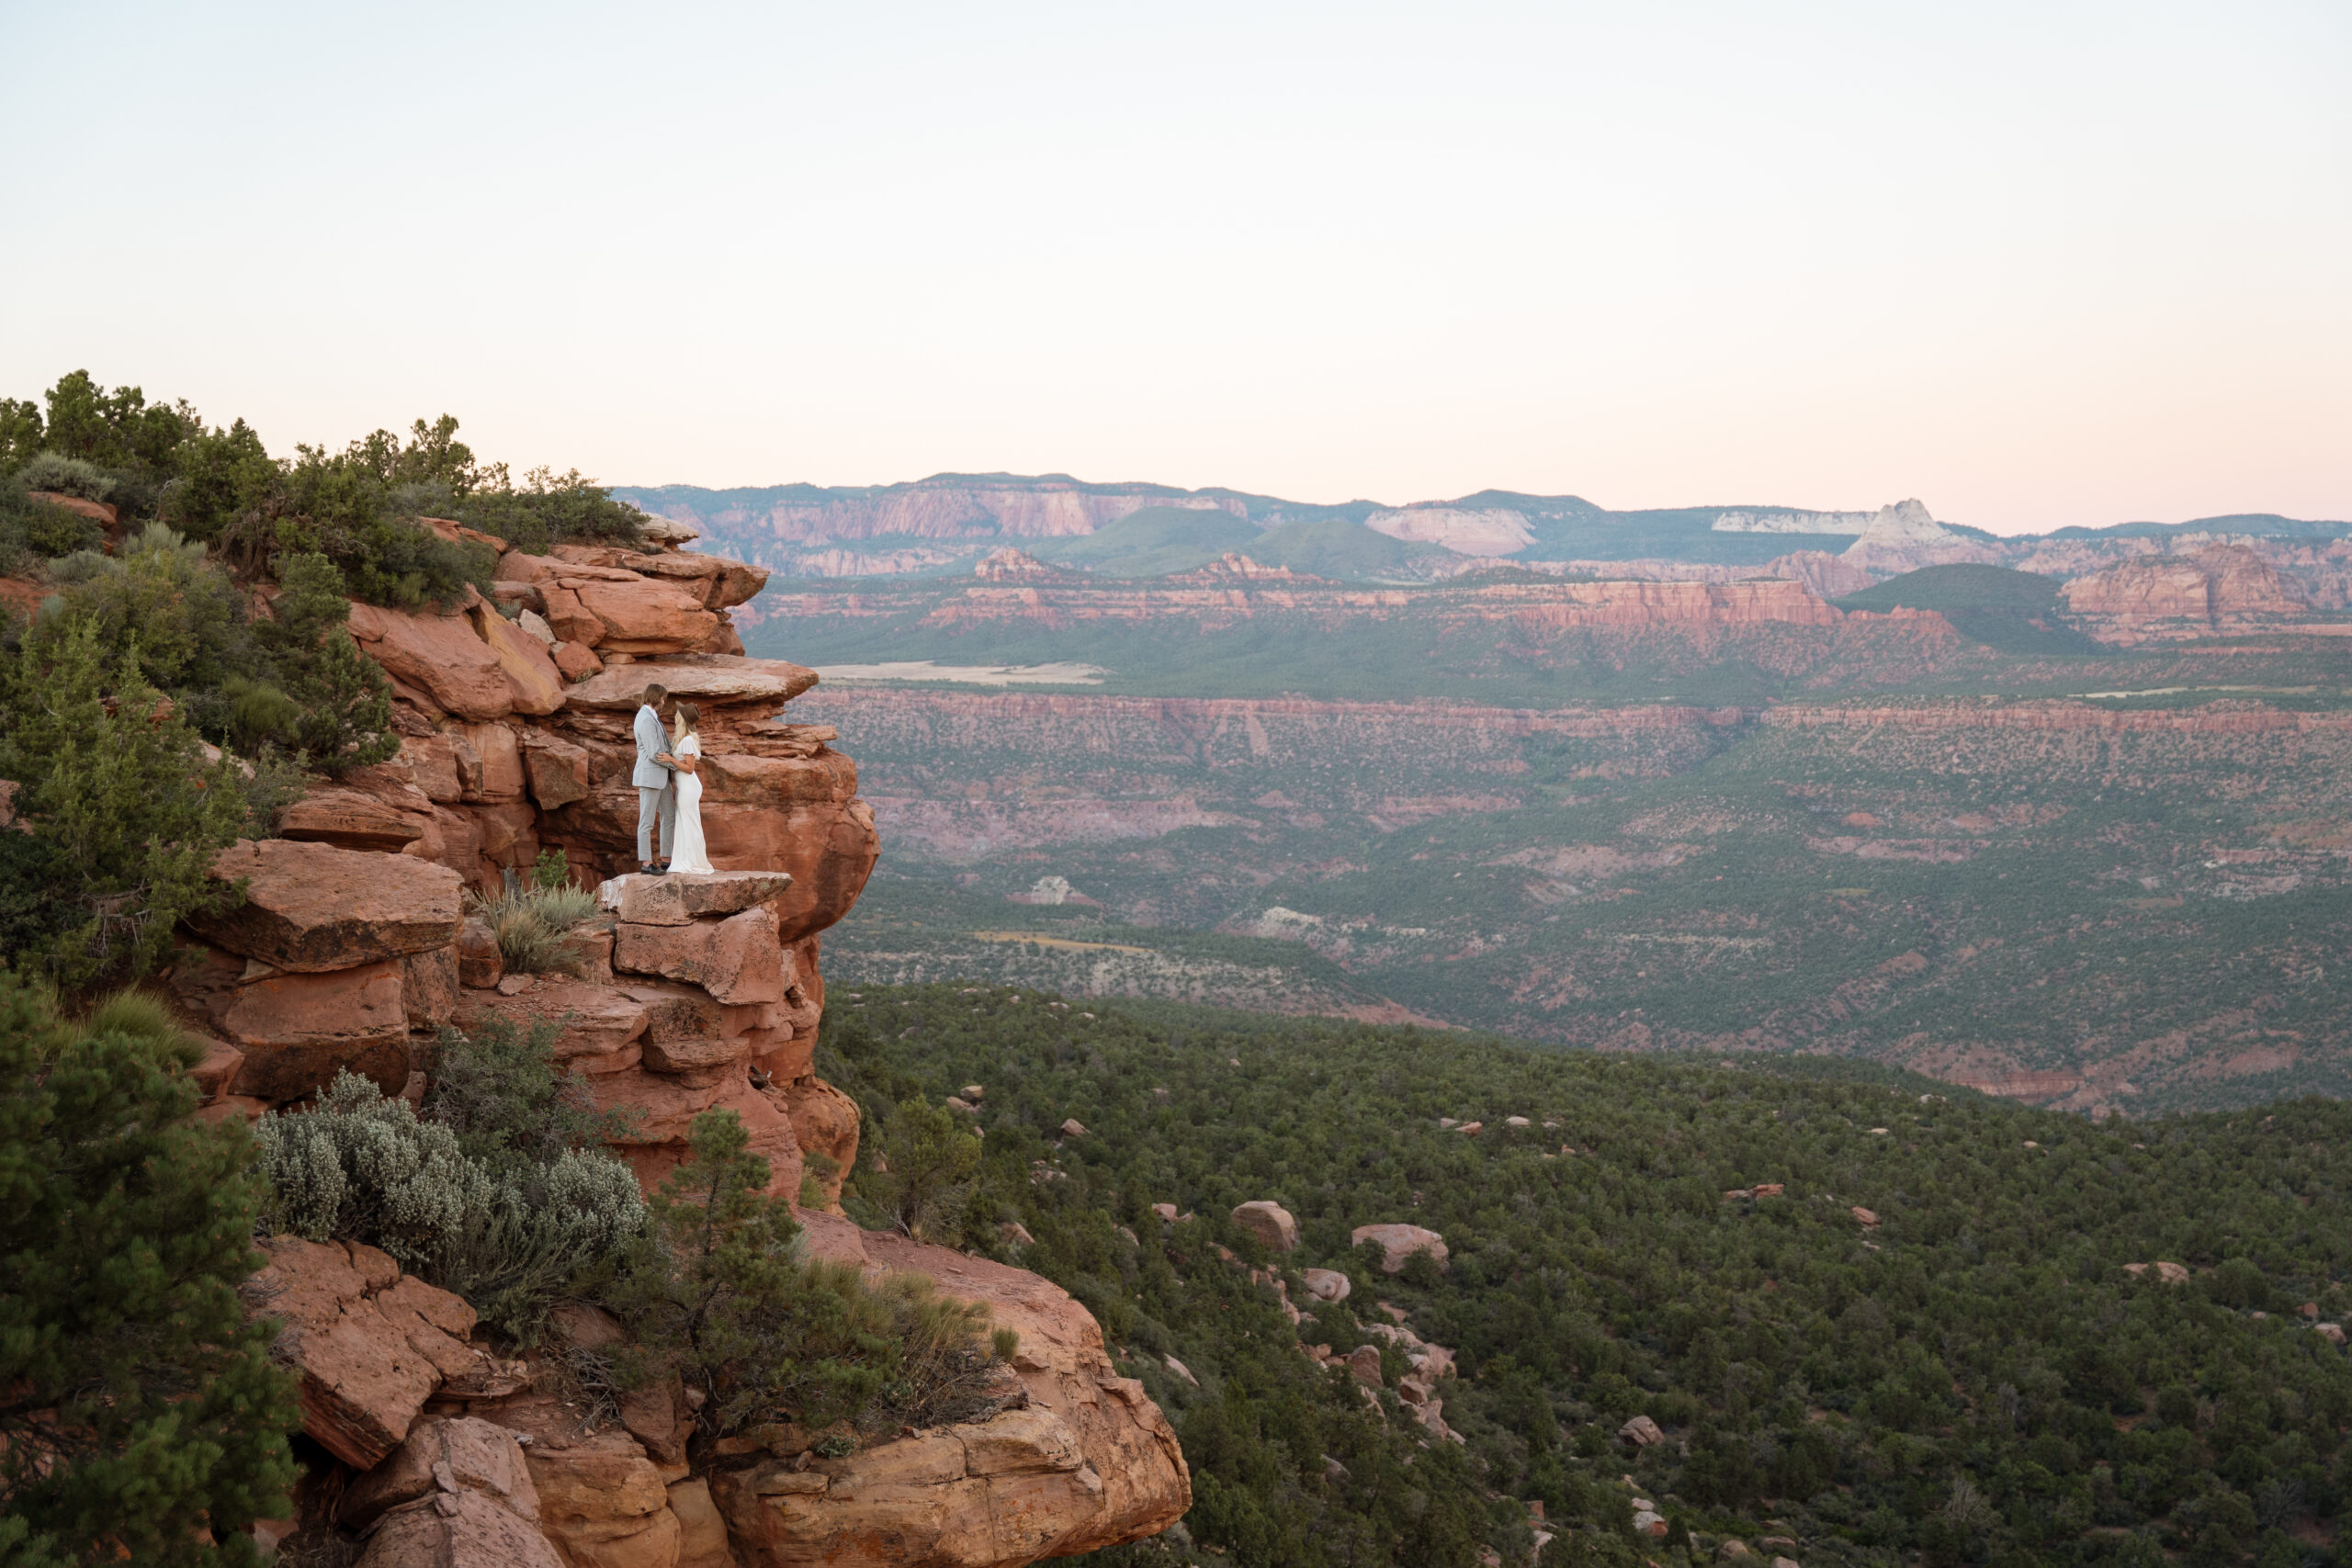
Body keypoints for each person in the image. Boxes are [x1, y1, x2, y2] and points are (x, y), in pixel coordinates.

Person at [632, 683, 676, 874]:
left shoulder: (652, 717)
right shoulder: (645, 719)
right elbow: (653, 752)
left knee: (670, 815)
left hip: (661, 777)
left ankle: (666, 859)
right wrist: (676, 765)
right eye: (663, 698)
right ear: (657, 697)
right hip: (650, 776)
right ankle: (647, 864)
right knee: (647, 821)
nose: (664, 702)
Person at [664, 702, 713, 874]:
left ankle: (691, 862)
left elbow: (690, 768)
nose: (676, 714)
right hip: (685, 786)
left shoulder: (687, 741)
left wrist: (672, 761)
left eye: (679, 713)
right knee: (685, 822)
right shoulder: (683, 739)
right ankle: (686, 860)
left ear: (682, 718)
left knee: (688, 822)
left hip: (689, 787)